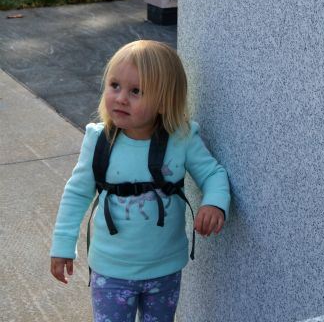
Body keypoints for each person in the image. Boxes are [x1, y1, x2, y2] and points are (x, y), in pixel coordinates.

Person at [50, 40, 230, 322]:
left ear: (163, 101)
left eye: (136, 91)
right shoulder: (99, 140)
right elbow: (76, 194)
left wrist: (214, 204)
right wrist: (62, 246)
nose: (121, 98)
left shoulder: (181, 139)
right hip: (111, 271)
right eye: (114, 86)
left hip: (165, 269)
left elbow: (213, 174)